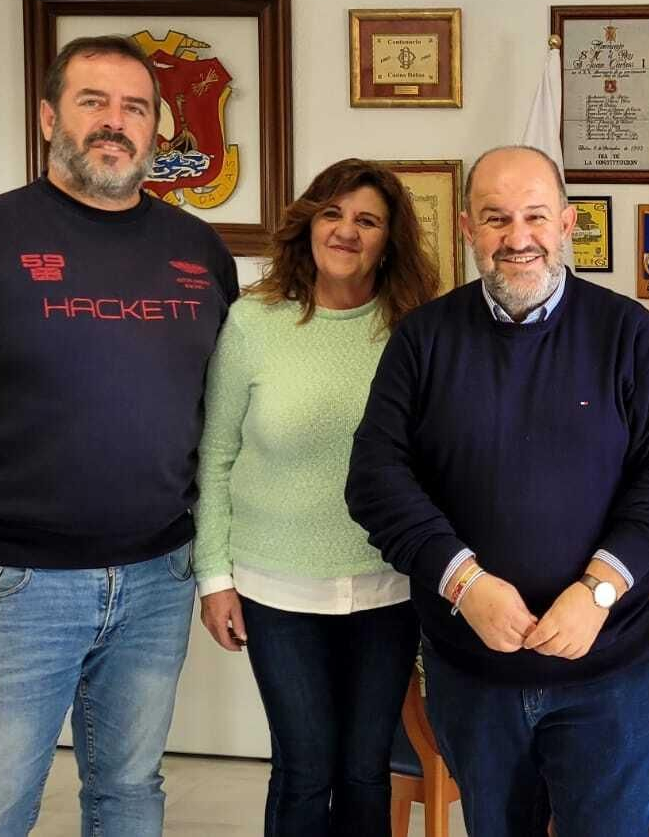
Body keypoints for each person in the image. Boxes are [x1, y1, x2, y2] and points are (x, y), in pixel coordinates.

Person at [0, 35, 238, 836]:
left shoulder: (198, 252)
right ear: (51, 114)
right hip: (15, 584)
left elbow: (216, 407)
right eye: (94, 102)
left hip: (159, 573)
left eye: (135, 108)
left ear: (159, 130)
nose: (115, 123)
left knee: (130, 793)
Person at [345, 145, 649, 836]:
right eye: (496, 218)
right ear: (467, 228)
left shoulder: (627, 332)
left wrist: (598, 589)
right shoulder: (423, 340)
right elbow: (376, 479)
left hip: (609, 670)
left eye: (536, 216)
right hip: (474, 673)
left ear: (568, 224)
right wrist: (463, 582)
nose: (518, 238)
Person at [193, 158, 438, 836]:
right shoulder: (253, 322)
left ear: (390, 239)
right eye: (333, 214)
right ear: (308, 224)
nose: (347, 232)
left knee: (364, 769)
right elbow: (215, 456)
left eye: (368, 221)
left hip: (388, 588)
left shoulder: (415, 328)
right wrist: (214, 578)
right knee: (304, 769)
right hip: (276, 589)